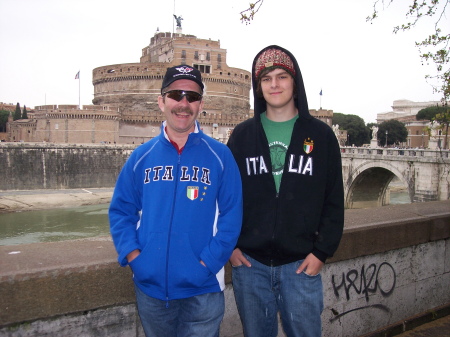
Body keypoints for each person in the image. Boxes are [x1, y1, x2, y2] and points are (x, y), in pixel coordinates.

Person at [109, 65, 243, 337]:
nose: (184, 103)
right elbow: (121, 211)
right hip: (151, 290)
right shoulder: (141, 157)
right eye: (176, 95)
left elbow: (232, 218)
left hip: (203, 290)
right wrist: (136, 259)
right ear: (161, 101)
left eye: (192, 97)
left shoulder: (221, 156)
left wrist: (205, 265)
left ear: (201, 105)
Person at [227, 45, 344, 337]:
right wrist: (230, 247)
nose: (274, 85)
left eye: (282, 77)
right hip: (250, 266)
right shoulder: (242, 135)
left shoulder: (321, 136)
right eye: (266, 79)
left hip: (301, 265)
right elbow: (225, 198)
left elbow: (333, 200)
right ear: (259, 87)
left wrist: (321, 252)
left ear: (295, 82)